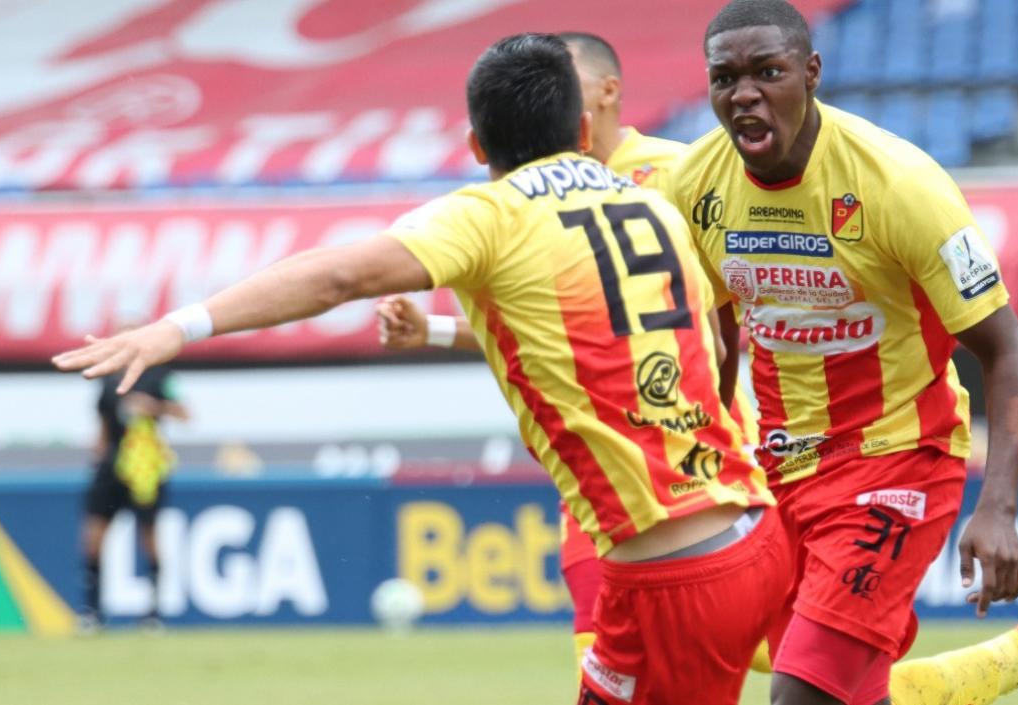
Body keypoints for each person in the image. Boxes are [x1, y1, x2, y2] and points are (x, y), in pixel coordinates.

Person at [54, 33, 791, 705]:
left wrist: (180, 326)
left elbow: (339, 276)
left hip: (670, 572)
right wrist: (440, 331)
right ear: (580, 129)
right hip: (750, 530)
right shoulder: (652, 207)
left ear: (476, 144)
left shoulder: (492, 214)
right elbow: (677, 344)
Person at [662, 2, 1018, 705]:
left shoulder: (899, 184)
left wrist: (999, 508)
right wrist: (713, 452)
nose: (744, 94)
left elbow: (1008, 349)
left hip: (897, 460)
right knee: (838, 684)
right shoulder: (695, 185)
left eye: (767, 72)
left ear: (811, 72)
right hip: (779, 470)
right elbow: (718, 324)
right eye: (725, 78)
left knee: (801, 693)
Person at [375, 29, 771, 675]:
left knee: (785, 664)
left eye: (565, 80)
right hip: (598, 474)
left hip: (691, 456)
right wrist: (437, 331)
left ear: (604, 96)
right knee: (601, 651)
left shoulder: (676, 174)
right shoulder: (523, 195)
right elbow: (560, 330)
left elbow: (721, 316)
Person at [81, 361, 188, 631]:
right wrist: (99, 453)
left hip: (143, 469)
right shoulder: (107, 378)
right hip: (111, 468)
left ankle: (152, 612)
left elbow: (184, 414)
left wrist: (152, 406)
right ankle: (92, 612)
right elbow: (104, 425)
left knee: (149, 537)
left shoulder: (160, 377)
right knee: (93, 538)